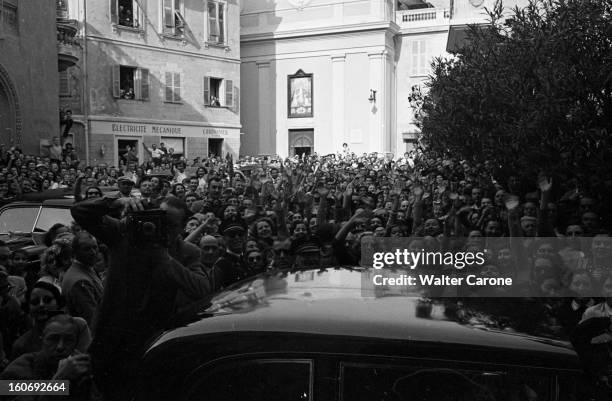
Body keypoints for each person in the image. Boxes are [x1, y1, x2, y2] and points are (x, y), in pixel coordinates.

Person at [71, 194, 212, 401]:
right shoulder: (125, 233)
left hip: (152, 343)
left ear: (182, 228)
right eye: (159, 221)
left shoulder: (187, 252)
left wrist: (165, 259)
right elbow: (79, 212)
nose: (162, 229)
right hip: (112, 337)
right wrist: (117, 202)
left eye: (171, 226)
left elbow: (202, 289)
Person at [1, 314, 95, 401]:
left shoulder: (81, 370)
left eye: (68, 340)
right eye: (53, 339)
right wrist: (59, 381)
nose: (60, 347)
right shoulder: (19, 369)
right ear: (42, 341)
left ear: (76, 343)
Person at [61, 232, 104, 328]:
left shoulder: (86, 270)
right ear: (75, 252)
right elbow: (92, 318)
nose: (93, 252)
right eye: (87, 249)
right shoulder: (80, 281)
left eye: (95, 247)